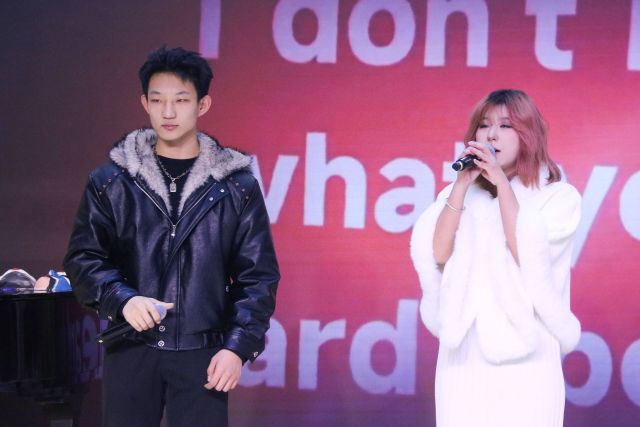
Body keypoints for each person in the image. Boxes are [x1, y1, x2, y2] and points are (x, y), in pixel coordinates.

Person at [64, 46, 280, 427]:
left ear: (202, 104)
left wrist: (237, 347)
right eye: (157, 100)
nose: (168, 112)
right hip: (131, 346)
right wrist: (122, 299)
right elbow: (83, 259)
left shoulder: (236, 187)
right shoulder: (112, 182)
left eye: (180, 100)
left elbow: (257, 277)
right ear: (144, 103)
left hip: (202, 352)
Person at [410, 89, 581, 427]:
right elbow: (438, 254)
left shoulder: (558, 197)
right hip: (463, 355)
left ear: (528, 134)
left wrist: (502, 184)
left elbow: (527, 256)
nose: (491, 135)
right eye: (484, 125)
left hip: (528, 355)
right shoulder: (458, 194)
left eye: (505, 126)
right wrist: (460, 185)